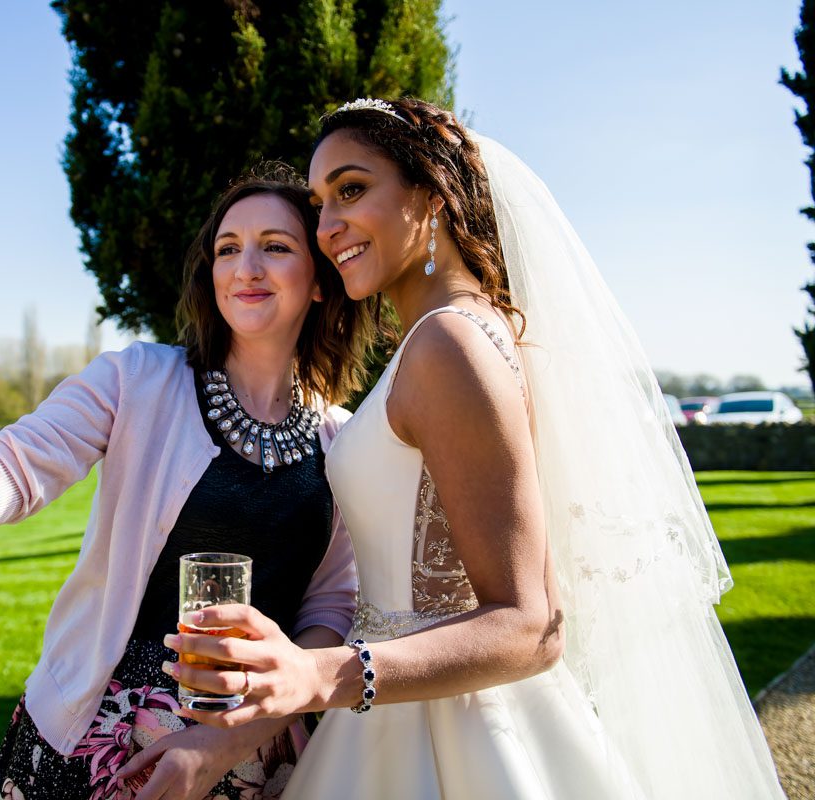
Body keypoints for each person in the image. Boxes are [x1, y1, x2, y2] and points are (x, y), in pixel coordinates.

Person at [166, 98, 785, 798]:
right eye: (318, 203)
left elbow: (531, 625)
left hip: (451, 738)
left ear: (430, 194)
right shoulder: (454, 334)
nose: (327, 226)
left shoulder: (449, 343)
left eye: (352, 189)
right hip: (394, 718)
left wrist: (315, 675)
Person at [0, 164, 377, 800]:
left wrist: (225, 742)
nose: (245, 267)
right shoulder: (134, 382)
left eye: (275, 246)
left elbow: (328, 611)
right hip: (97, 749)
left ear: (322, 284)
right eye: (227, 248)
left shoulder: (343, 441)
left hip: (257, 761)